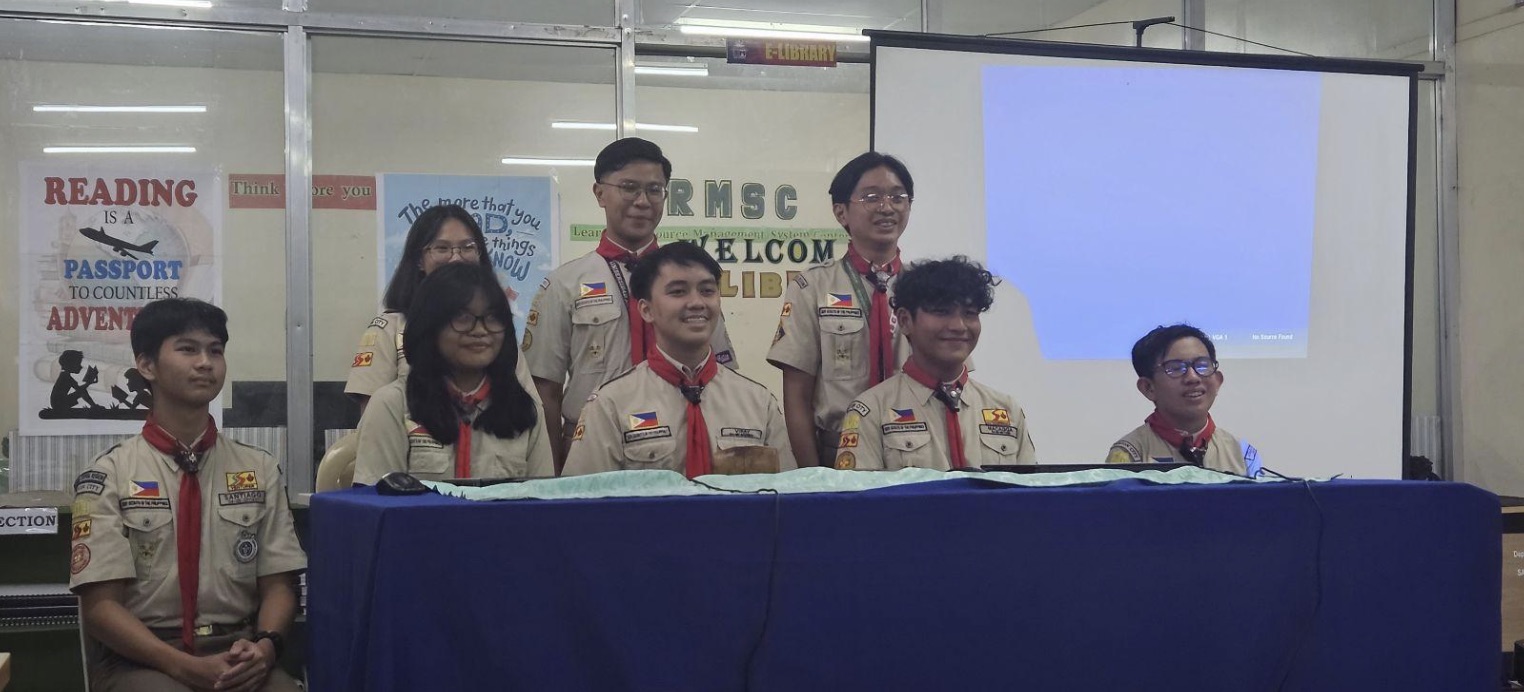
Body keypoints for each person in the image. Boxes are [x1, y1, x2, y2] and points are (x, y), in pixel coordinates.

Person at [69, 298, 306, 692]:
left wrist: (266, 646)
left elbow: (279, 585)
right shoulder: (108, 474)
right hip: (144, 658)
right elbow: (100, 608)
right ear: (147, 366)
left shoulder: (258, 469)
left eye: (215, 350)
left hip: (238, 650)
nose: (205, 363)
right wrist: (181, 666)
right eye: (187, 349)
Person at [523, 138, 736, 471]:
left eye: (654, 190)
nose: (642, 202)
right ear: (600, 193)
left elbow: (723, 372)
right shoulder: (564, 284)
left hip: (682, 443)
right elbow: (545, 392)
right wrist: (549, 477)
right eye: (629, 188)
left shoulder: (694, 285)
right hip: (591, 448)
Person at [562, 242, 795, 477]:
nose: (696, 303)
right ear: (646, 310)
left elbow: (788, 498)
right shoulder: (611, 405)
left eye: (707, 291)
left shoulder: (758, 402)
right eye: (678, 292)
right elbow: (582, 505)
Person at [768, 152, 915, 467]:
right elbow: (797, 397)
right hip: (838, 451)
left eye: (898, 197)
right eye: (871, 197)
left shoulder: (929, 288)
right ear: (841, 212)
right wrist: (814, 480)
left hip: (917, 447)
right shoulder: (812, 287)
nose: (887, 207)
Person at [354, 263, 553, 484]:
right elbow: (375, 507)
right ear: (430, 325)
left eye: (493, 318)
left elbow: (542, 507)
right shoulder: (392, 405)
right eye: (462, 317)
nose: (480, 330)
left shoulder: (525, 410)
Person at [835, 257, 1035, 471]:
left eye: (970, 314)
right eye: (942, 312)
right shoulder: (870, 411)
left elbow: (1031, 500)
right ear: (904, 321)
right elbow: (860, 503)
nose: (959, 326)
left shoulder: (1005, 410)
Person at [344, 203, 538, 414]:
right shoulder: (389, 329)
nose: (456, 258)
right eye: (442, 248)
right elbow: (372, 423)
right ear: (419, 260)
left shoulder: (494, 331)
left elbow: (531, 410)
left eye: (467, 247)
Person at [1105, 324, 1261, 476]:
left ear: (1218, 381)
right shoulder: (1129, 455)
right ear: (1148, 388)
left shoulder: (1243, 455)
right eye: (1175, 368)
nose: (1193, 378)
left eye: (1202, 365)